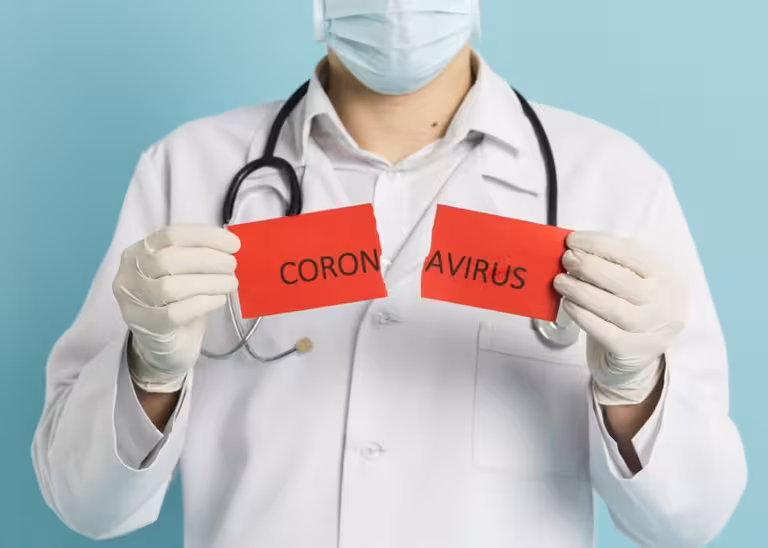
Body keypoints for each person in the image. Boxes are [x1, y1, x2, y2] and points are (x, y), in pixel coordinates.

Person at [32, 1, 746, 547]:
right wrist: (150, 371)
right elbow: (85, 503)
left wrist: (635, 389)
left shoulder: (611, 181)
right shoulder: (190, 169)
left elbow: (691, 519)